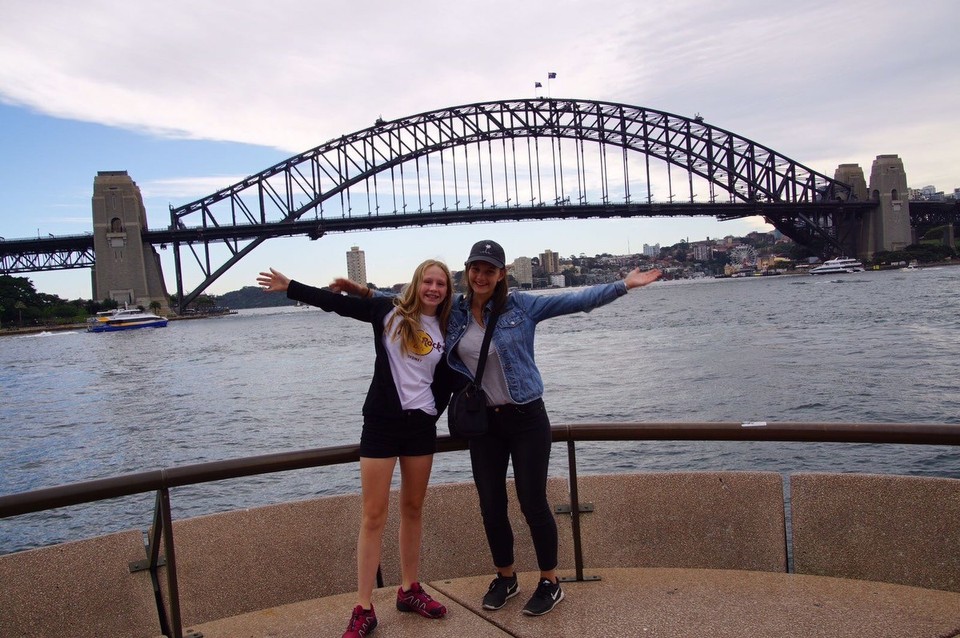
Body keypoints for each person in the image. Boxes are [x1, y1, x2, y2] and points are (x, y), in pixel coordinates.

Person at [448, 240, 661, 616]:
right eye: (476, 269)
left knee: (533, 501)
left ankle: (550, 581)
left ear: (501, 275)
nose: (482, 276)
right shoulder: (455, 313)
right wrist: (362, 295)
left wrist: (623, 285)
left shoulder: (522, 306)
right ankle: (506, 576)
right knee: (491, 505)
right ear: (468, 271)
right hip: (485, 424)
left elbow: (576, 301)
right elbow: (409, 306)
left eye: (490, 270)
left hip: (527, 417)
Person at [257, 260, 454, 638]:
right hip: (381, 425)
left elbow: (450, 374)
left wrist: (433, 412)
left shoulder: (449, 325)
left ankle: (409, 589)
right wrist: (291, 286)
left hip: (420, 428)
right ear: (416, 284)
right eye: (427, 281)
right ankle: (364, 606)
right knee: (373, 515)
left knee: (413, 509)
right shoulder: (388, 313)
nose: (433, 288)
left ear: (447, 290)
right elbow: (338, 304)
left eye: (440, 284)